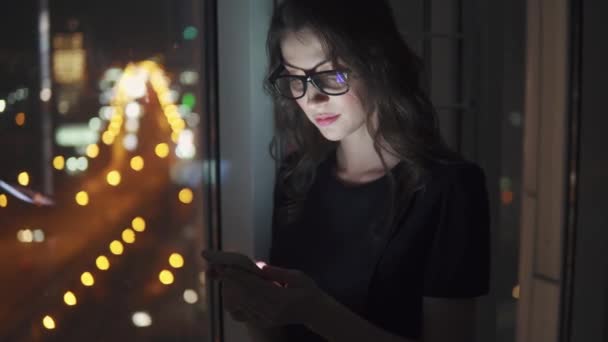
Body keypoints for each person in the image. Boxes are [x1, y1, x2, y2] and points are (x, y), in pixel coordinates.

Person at [205, 0, 490, 341]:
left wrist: (317, 311)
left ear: (378, 63)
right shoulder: (297, 179)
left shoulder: (449, 189)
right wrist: (253, 308)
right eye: (295, 79)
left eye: (331, 75)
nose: (312, 99)